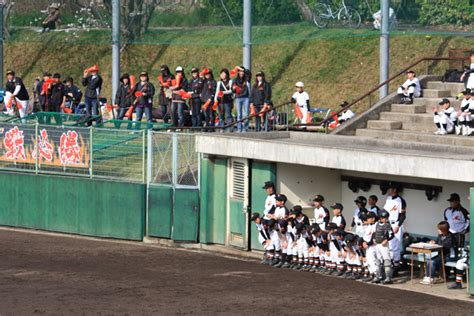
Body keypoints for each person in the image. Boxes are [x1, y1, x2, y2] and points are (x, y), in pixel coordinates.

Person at [420, 221, 455, 285]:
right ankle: (427, 277)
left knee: (432, 261)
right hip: (440, 255)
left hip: (448, 256)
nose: (438, 230)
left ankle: (431, 278)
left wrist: (437, 244)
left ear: (443, 230)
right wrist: (433, 242)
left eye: (439, 229)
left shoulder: (451, 237)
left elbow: (446, 245)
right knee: (429, 260)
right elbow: (437, 242)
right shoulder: (440, 236)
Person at [383, 182, 406, 275]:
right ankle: (390, 266)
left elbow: (403, 215)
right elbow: (384, 211)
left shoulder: (401, 200)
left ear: (394, 190)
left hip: (396, 224)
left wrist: (398, 225)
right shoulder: (388, 199)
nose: (388, 190)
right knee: (388, 246)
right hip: (388, 224)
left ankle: (396, 267)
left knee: (394, 247)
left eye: (390, 188)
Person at [372, 210, 394, 284]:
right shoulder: (377, 224)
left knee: (386, 260)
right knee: (378, 261)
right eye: (384, 218)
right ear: (380, 218)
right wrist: (374, 239)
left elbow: (391, 235)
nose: (386, 219)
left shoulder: (387, 225)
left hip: (383, 245)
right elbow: (375, 233)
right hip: (377, 244)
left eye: (387, 218)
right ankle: (378, 276)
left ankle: (388, 278)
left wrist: (386, 240)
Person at [233, 66, 251, 132]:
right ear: (238, 72)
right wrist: (234, 89)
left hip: (246, 97)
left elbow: (249, 73)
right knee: (239, 114)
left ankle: (245, 128)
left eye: (242, 71)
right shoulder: (235, 80)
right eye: (240, 71)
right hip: (238, 98)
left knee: (246, 114)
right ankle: (239, 128)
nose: (241, 73)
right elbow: (233, 90)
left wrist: (242, 69)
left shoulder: (246, 78)